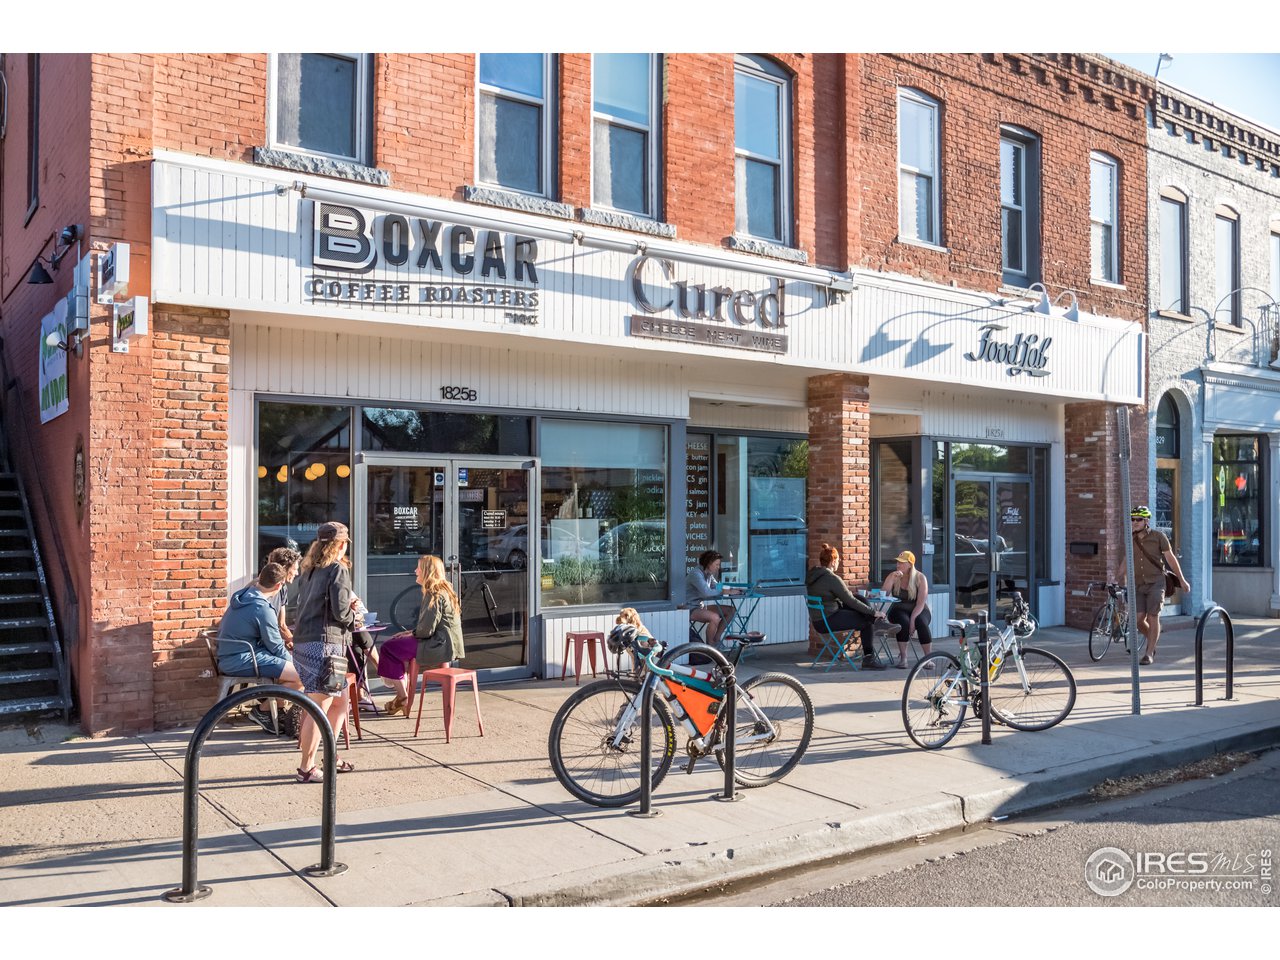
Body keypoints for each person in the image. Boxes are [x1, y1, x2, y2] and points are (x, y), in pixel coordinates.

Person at [292, 521, 361, 782]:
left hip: (303, 642)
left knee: (340, 701)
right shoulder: (337, 569)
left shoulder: (309, 570)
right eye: (345, 544)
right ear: (340, 545)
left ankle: (330, 756)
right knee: (318, 707)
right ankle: (306, 768)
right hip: (325, 644)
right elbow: (341, 613)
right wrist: (355, 613)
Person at [217, 561, 304, 732]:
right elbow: (276, 646)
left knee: (293, 673)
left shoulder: (242, 595)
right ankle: (262, 711)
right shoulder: (262, 608)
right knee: (303, 676)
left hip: (230, 656)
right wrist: (295, 662)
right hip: (243, 658)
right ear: (279, 585)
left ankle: (274, 710)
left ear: (260, 578)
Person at [377, 555, 465, 716]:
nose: (415, 571)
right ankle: (401, 692)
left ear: (427, 571)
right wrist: (409, 632)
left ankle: (402, 695)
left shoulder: (434, 593)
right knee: (397, 644)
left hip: (437, 644)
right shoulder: (444, 589)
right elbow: (430, 626)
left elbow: (426, 631)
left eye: (419, 568)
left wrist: (410, 634)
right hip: (445, 643)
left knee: (389, 648)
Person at [1116, 505, 1189, 665]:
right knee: (1138, 619)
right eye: (1132, 519)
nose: (1134, 522)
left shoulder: (1158, 537)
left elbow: (1171, 559)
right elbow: (1127, 559)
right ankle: (1153, 641)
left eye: (1138, 520)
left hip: (1156, 582)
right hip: (1138, 583)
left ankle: (1149, 653)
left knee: (1152, 616)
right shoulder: (1131, 539)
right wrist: (1117, 576)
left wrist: (1182, 580)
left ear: (1146, 521)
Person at [805, 543, 886, 670]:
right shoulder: (831, 578)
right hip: (828, 619)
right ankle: (869, 658)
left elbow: (849, 599)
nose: (839, 562)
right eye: (838, 560)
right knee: (866, 621)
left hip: (819, 620)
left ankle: (879, 622)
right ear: (832, 561)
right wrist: (872, 612)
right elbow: (850, 601)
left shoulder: (813, 576)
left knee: (860, 599)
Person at [880, 550, 933, 668]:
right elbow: (883, 594)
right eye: (898, 562)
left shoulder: (920, 577)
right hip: (898, 609)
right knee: (903, 622)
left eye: (902, 563)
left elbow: (920, 603)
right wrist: (891, 579)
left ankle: (927, 659)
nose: (898, 565)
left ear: (910, 564)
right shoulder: (894, 575)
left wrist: (913, 620)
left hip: (918, 608)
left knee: (921, 623)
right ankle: (903, 658)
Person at [686, 549, 741, 648]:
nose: (718, 567)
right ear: (709, 563)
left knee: (731, 610)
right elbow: (706, 592)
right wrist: (725, 592)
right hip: (689, 608)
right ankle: (710, 648)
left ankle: (717, 639)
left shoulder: (709, 574)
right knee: (714, 617)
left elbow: (716, 587)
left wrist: (732, 589)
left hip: (700, 606)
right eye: (716, 564)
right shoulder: (696, 574)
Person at [265, 546, 301, 649]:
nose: (297, 573)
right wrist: (299, 645)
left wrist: (289, 640)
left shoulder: (282, 588)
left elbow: (281, 625)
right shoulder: (266, 588)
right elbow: (279, 627)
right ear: (284, 568)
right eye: (295, 569)